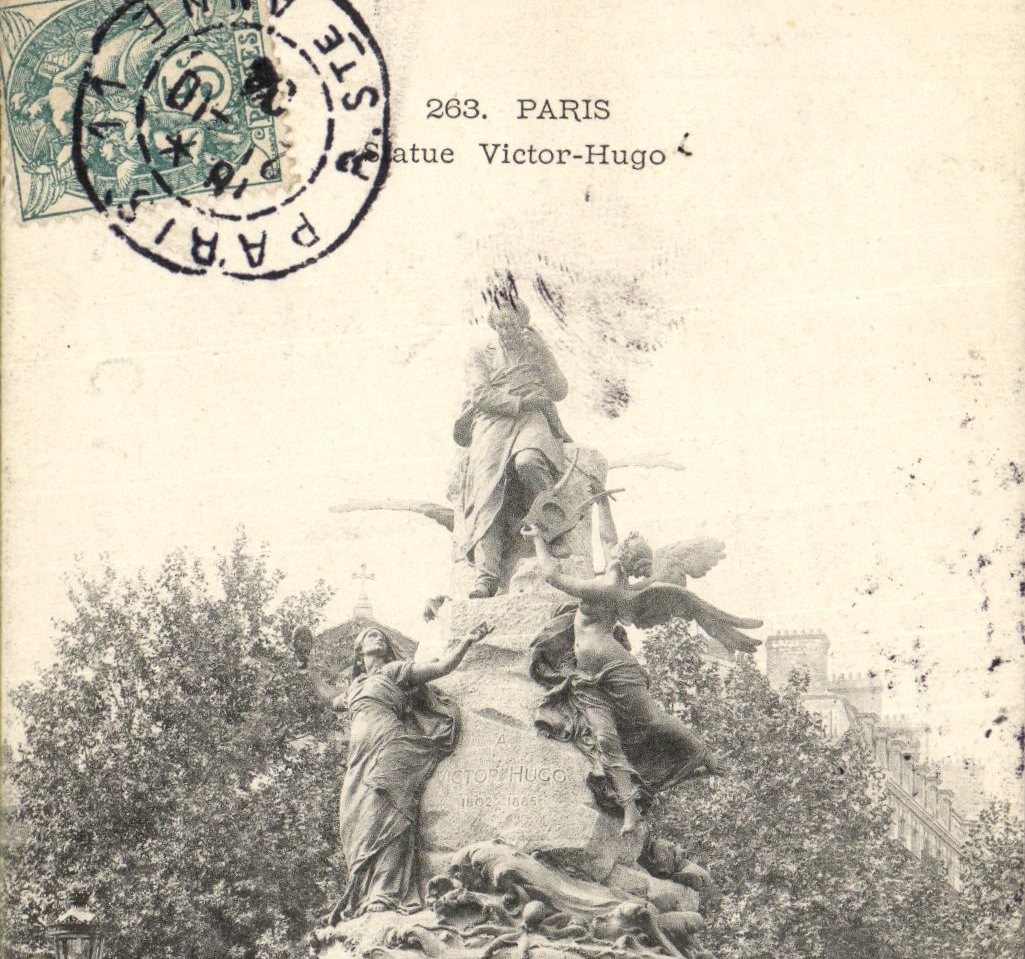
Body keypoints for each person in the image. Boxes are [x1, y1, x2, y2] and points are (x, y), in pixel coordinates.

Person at [527, 529, 759, 832]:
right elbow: (609, 537)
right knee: (604, 738)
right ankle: (629, 805)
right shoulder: (616, 576)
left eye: (617, 550)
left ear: (621, 559)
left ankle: (703, 754)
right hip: (585, 676)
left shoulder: (607, 588)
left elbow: (551, 575)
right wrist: (601, 499)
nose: (610, 547)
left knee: (651, 720)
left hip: (615, 668)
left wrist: (537, 539)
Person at [302, 622, 492, 917]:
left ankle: (385, 892)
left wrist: (468, 639)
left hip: (392, 746)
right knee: (356, 820)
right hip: (359, 758)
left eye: (379, 634)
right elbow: (327, 697)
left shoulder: (394, 671)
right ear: (359, 652)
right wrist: (306, 665)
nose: (375, 635)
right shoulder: (355, 686)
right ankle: (366, 891)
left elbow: (441, 667)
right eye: (368, 636)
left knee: (390, 811)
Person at [456, 298, 571, 597]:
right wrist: (520, 402)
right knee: (486, 489)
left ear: (522, 325)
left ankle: (556, 528)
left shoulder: (535, 350)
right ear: (493, 325)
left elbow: (560, 390)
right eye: (501, 325)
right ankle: (486, 575)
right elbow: (480, 395)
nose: (507, 332)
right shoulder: (479, 353)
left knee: (529, 462)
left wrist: (544, 354)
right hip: (493, 421)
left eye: (512, 325)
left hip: (532, 417)